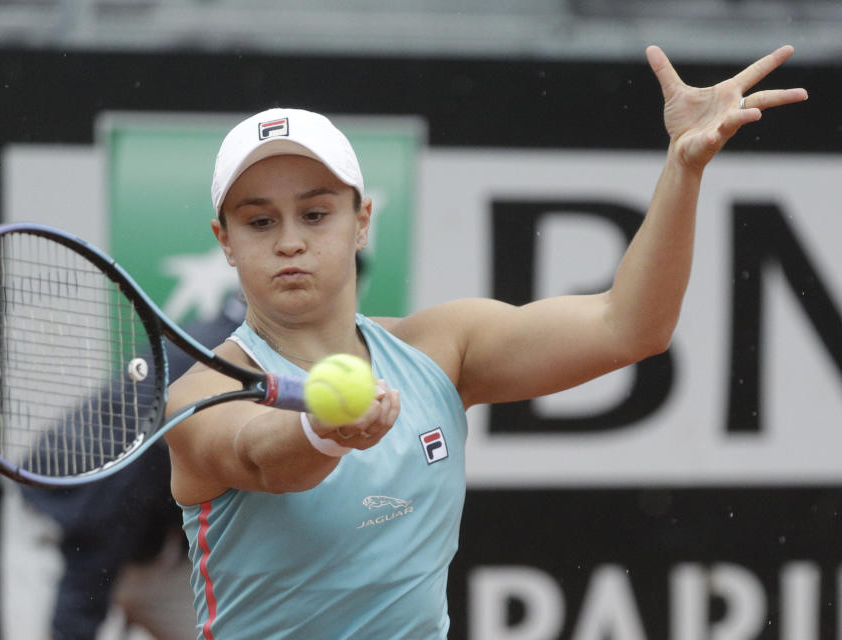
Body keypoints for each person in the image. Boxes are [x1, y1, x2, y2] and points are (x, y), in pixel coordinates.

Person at [164, 46, 808, 639]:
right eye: (258, 221)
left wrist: (683, 168)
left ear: (361, 222)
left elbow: (632, 326)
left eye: (315, 213)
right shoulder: (200, 394)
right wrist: (325, 429)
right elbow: (263, 460)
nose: (289, 242)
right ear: (225, 241)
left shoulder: (443, 349)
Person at [0, 292, 247, 640]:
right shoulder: (204, 370)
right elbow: (106, 517)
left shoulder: (270, 349)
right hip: (63, 526)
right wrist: (75, 624)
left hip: (155, 550)